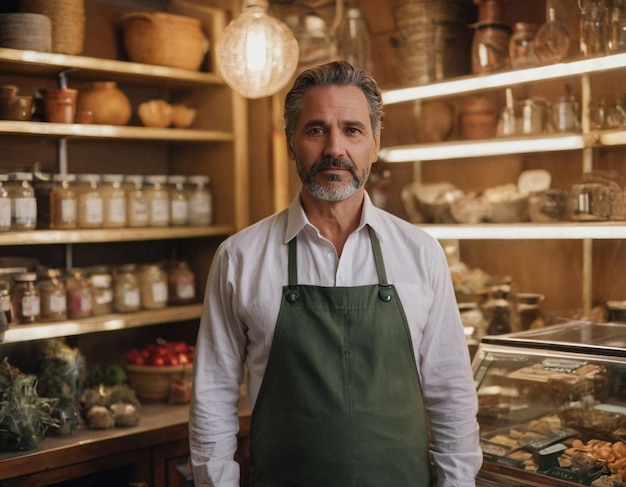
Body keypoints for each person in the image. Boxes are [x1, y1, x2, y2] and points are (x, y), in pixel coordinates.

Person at [189, 60, 482, 486]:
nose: (334, 148)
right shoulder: (239, 258)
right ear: (291, 143)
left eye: (352, 130)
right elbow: (212, 398)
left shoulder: (421, 254)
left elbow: (450, 392)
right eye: (315, 130)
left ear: (375, 143)